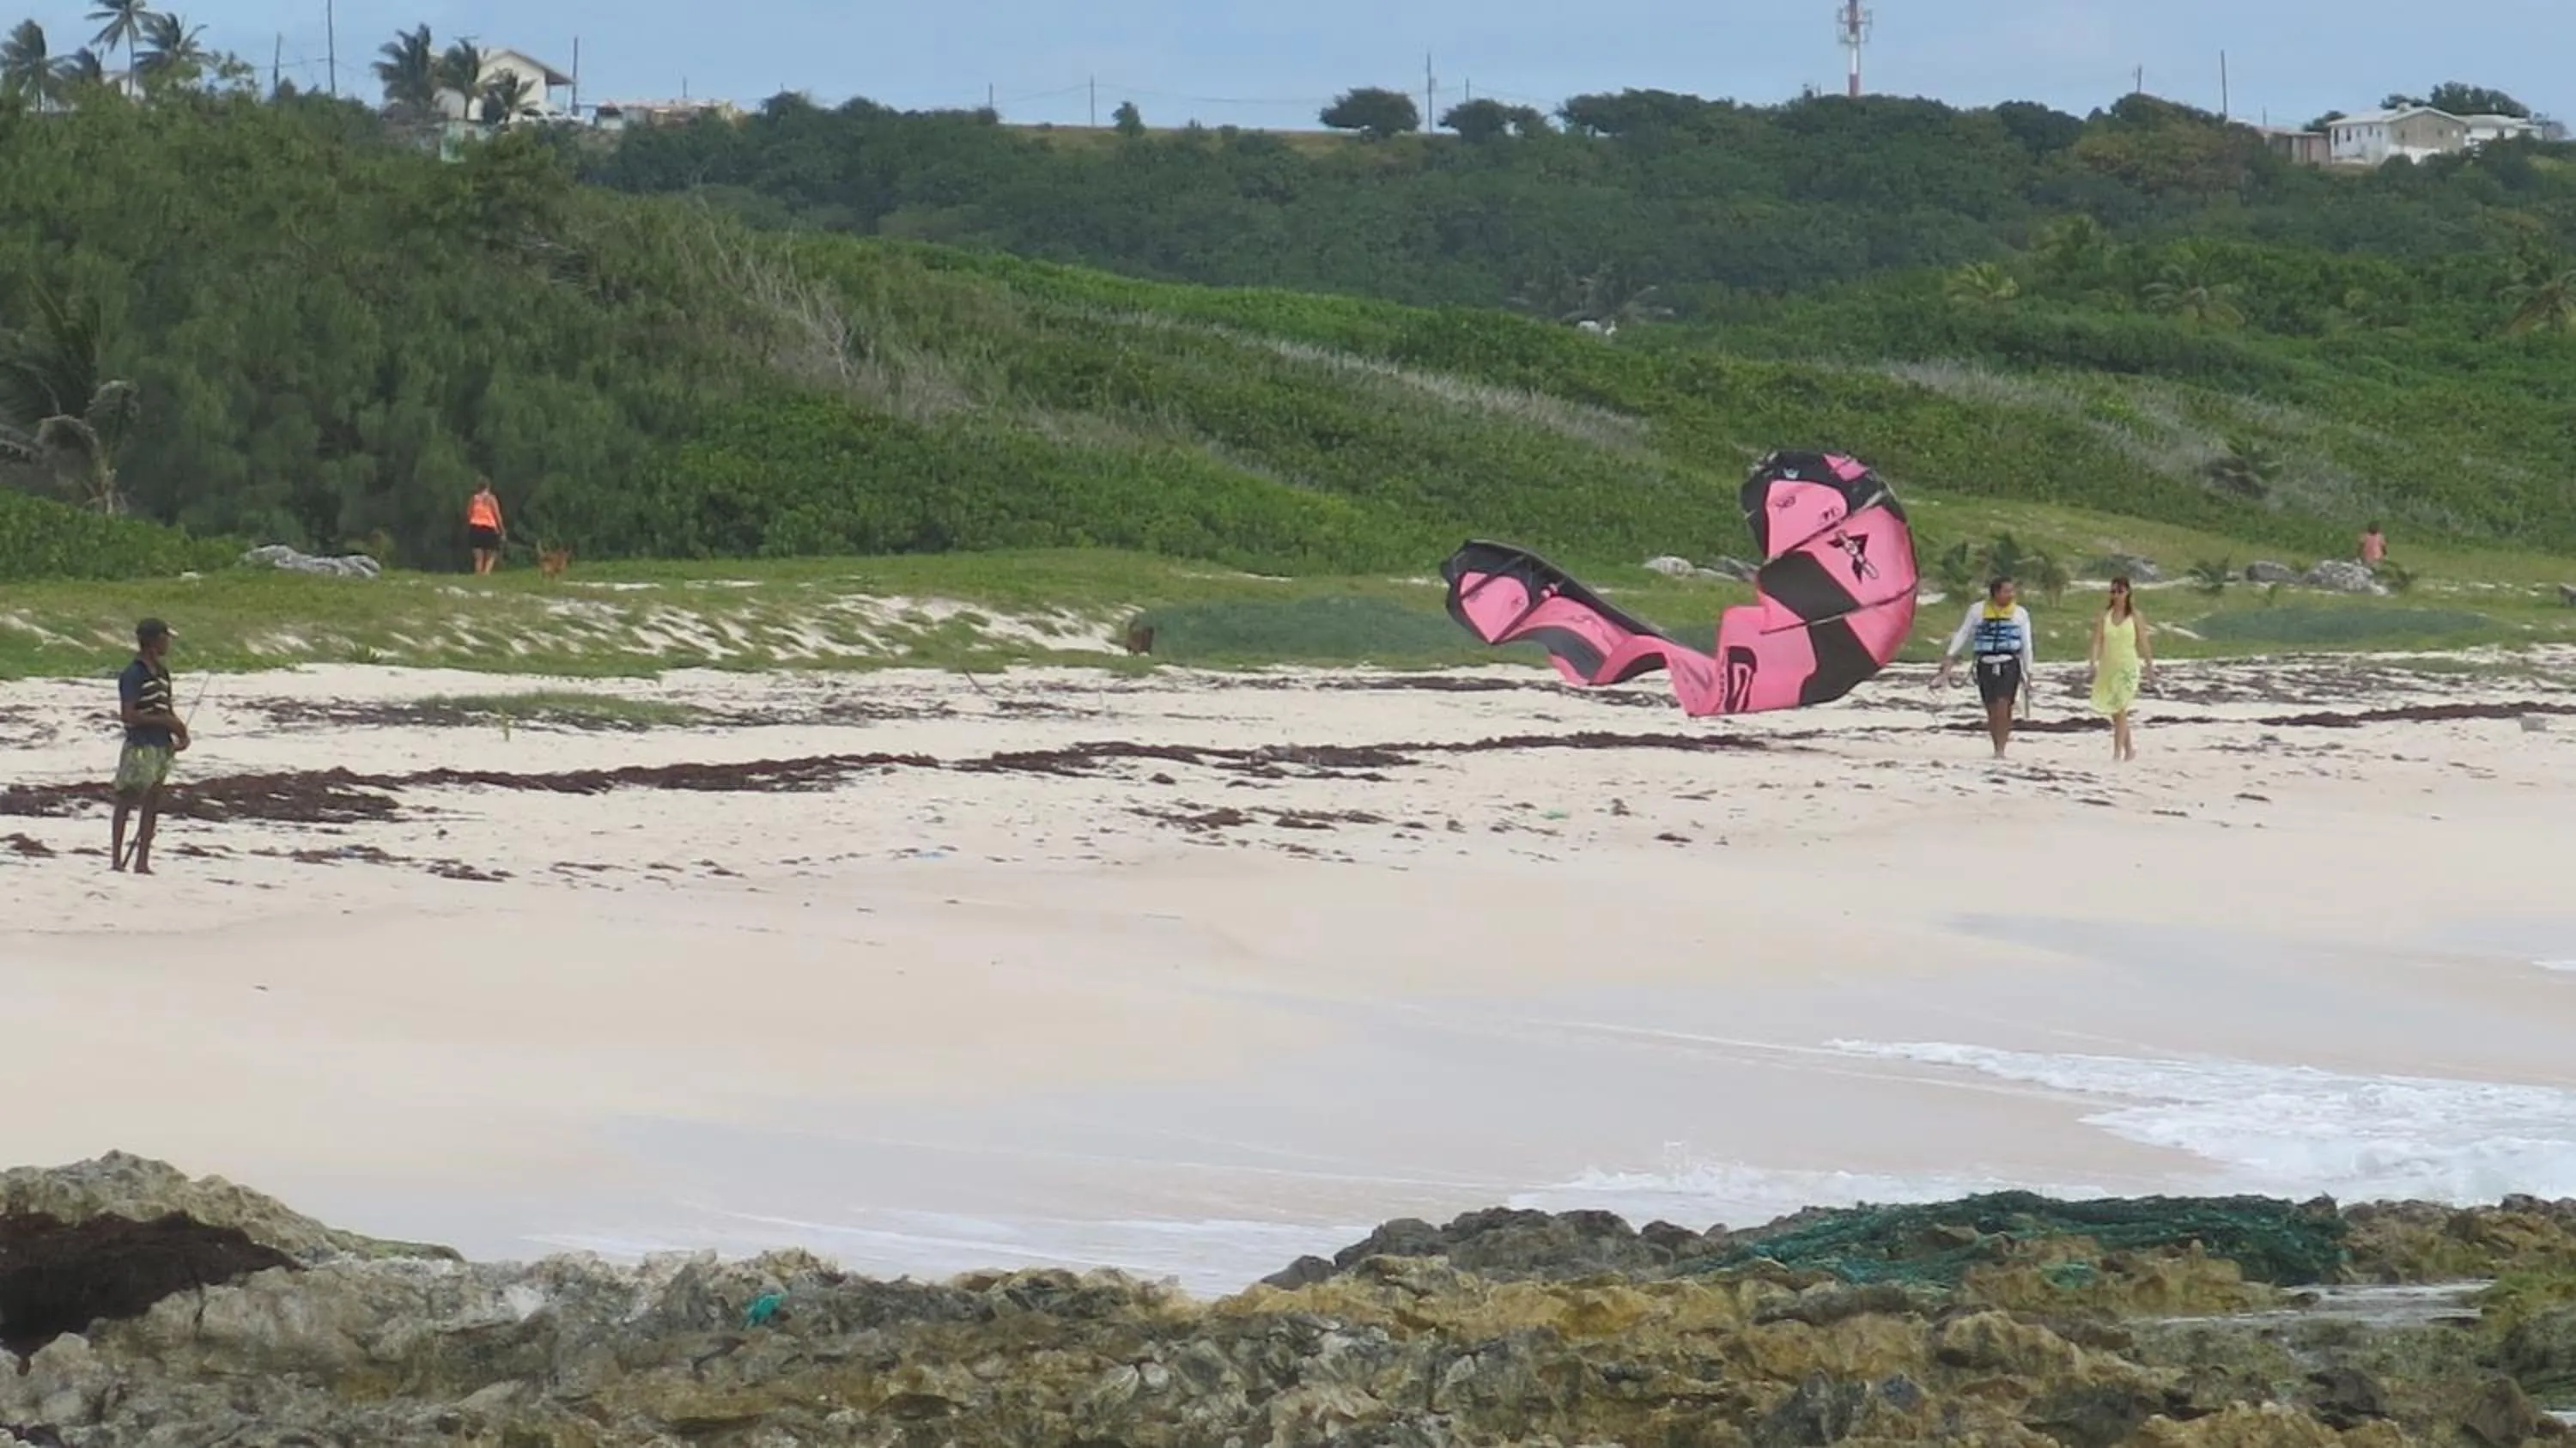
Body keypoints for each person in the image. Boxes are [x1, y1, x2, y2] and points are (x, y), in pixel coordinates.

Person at [112, 618, 187, 874]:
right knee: (127, 799)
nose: (168, 643)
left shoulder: (163, 673)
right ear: (155, 641)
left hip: (161, 744)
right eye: (165, 638)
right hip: (139, 744)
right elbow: (128, 715)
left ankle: (142, 861)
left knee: (152, 801)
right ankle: (116, 860)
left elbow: (167, 706)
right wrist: (163, 720)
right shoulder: (133, 674)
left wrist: (179, 730)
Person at [1935, 576, 2036, 759]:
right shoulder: (1977, 611)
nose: (2011, 595)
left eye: (2012, 591)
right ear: (1995, 593)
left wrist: (2029, 670)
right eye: (2007, 591)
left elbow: (2026, 643)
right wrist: (1950, 656)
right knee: (1990, 708)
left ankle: (2001, 748)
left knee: (2004, 705)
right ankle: (1996, 744)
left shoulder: (2020, 613)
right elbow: (1964, 633)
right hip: (1985, 663)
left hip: (2009, 663)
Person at [2088, 575, 2154, 763]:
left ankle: (2117, 752)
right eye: (2113, 591)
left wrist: (2150, 667)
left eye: (2120, 591)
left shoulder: (2135, 616)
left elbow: (2143, 642)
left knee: (2121, 707)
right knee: (2116, 712)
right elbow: (2096, 642)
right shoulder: (2104, 616)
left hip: (2128, 668)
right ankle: (2130, 750)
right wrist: (2092, 662)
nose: (2116, 595)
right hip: (2109, 667)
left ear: (2128, 592)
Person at [466, 478, 505, 576]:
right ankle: (486, 573)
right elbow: (497, 515)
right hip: (489, 527)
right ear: (488, 487)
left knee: (478, 557)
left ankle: (478, 574)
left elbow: (469, 513)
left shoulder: (474, 499)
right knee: (491, 555)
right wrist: (502, 530)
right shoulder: (491, 499)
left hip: (475, 526)